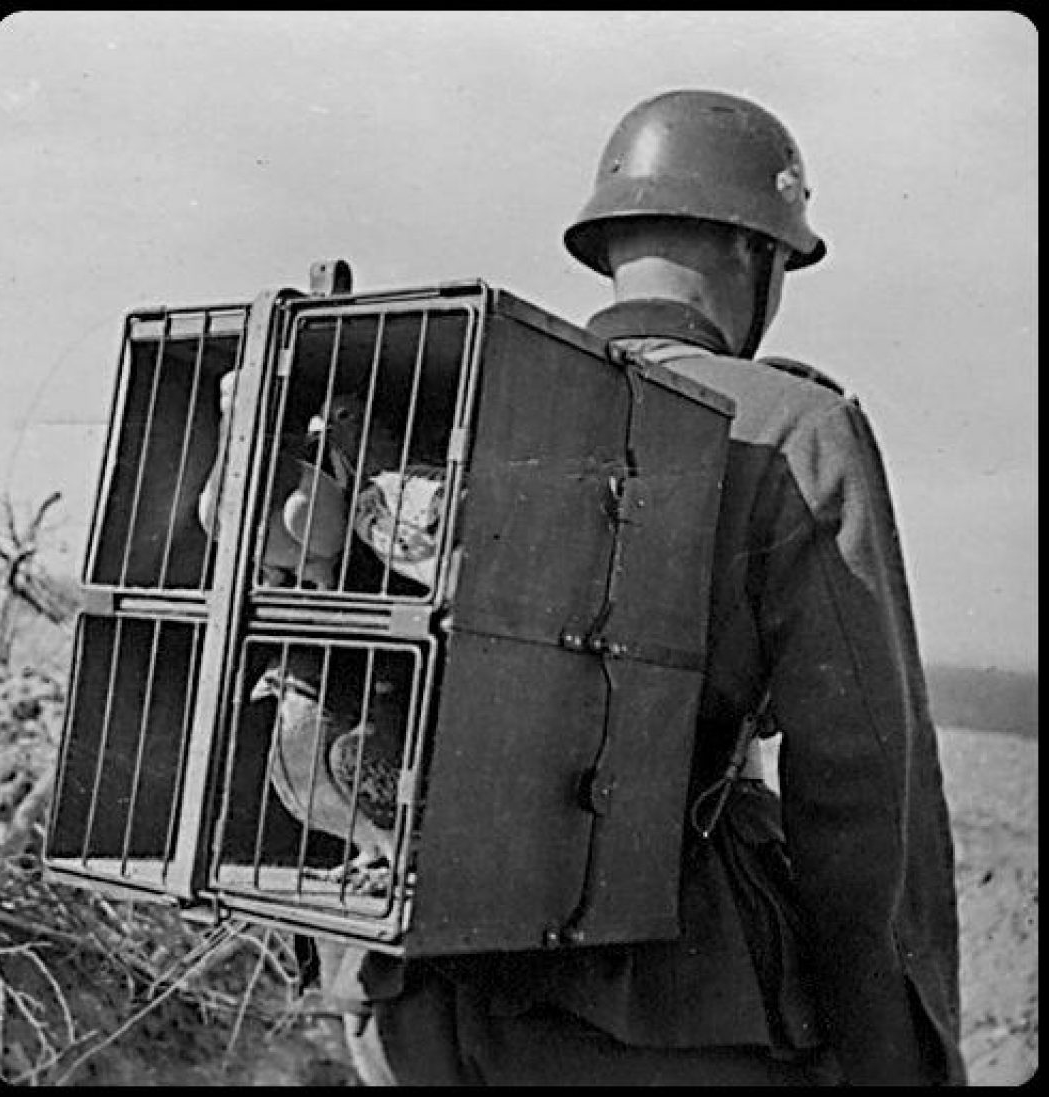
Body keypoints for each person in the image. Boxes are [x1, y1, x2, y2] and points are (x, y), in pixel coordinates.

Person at [316, 89, 967, 1086]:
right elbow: (865, 791)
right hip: (662, 1010)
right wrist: (896, 1056)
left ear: (610, 244)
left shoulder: (467, 403)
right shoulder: (792, 428)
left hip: (417, 998)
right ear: (755, 252)